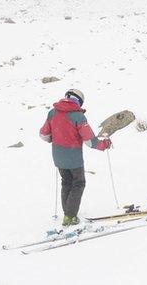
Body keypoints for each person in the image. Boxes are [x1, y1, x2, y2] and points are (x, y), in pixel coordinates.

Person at [39, 88, 112, 226]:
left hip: (58, 156)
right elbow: (90, 141)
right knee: (78, 183)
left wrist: (54, 137)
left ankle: (68, 212)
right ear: (78, 101)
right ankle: (70, 216)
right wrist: (104, 144)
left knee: (66, 182)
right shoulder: (78, 116)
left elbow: (43, 135)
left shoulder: (52, 112)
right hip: (74, 158)